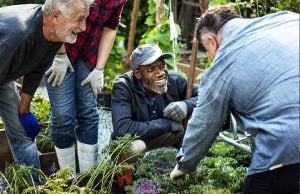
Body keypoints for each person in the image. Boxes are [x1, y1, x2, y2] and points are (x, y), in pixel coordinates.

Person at [170, 6, 299, 194]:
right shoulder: (286, 19)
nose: (212, 58)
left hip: (288, 149)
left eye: (208, 51)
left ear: (211, 42)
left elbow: (204, 124)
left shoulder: (222, 66)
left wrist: (185, 166)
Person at [0, 0, 91, 172]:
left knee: (23, 136)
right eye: (79, 19)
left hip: (3, 74)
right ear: (56, 16)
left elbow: (36, 69)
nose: (84, 27)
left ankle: (33, 188)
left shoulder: (55, 34)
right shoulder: (19, 36)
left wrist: (24, 111)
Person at [45, 0, 127, 176]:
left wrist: (99, 69)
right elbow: (53, 11)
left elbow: (110, 28)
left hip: (88, 53)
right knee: (63, 117)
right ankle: (67, 178)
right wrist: (60, 55)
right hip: (58, 46)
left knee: (88, 113)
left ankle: (87, 178)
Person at [111, 44, 198, 158]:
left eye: (162, 66)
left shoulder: (175, 80)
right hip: (136, 140)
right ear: (138, 73)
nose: (161, 73)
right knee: (133, 149)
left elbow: (205, 96)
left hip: (164, 138)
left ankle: (182, 163)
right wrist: (166, 124)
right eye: (151, 69)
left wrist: (186, 105)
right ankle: (128, 174)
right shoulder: (123, 87)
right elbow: (122, 129)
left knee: (196, 119)